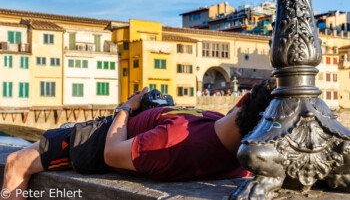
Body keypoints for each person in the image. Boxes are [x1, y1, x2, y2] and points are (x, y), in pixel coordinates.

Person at [2, 79, 276, 200]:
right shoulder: (237, 151)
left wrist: (125, 109)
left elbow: (111, 153)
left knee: (15, 162)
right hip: (136, 125)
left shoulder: (175, 141)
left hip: (97, 139)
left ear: (242, 99)